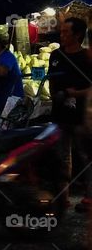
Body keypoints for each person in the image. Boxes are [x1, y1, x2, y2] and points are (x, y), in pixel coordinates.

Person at [48, 17, 92, 207]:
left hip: (82, 116)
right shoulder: (56, 55)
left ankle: (89, 197)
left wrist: (75, 93)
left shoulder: (87, 57)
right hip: (60, 115)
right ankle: (62, 198)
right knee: (61, 157)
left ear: (78, 35)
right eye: (62, 31)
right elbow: (51, 79)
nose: (62, 35)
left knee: (86, 157)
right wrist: (53, 93)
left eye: (66, 32)